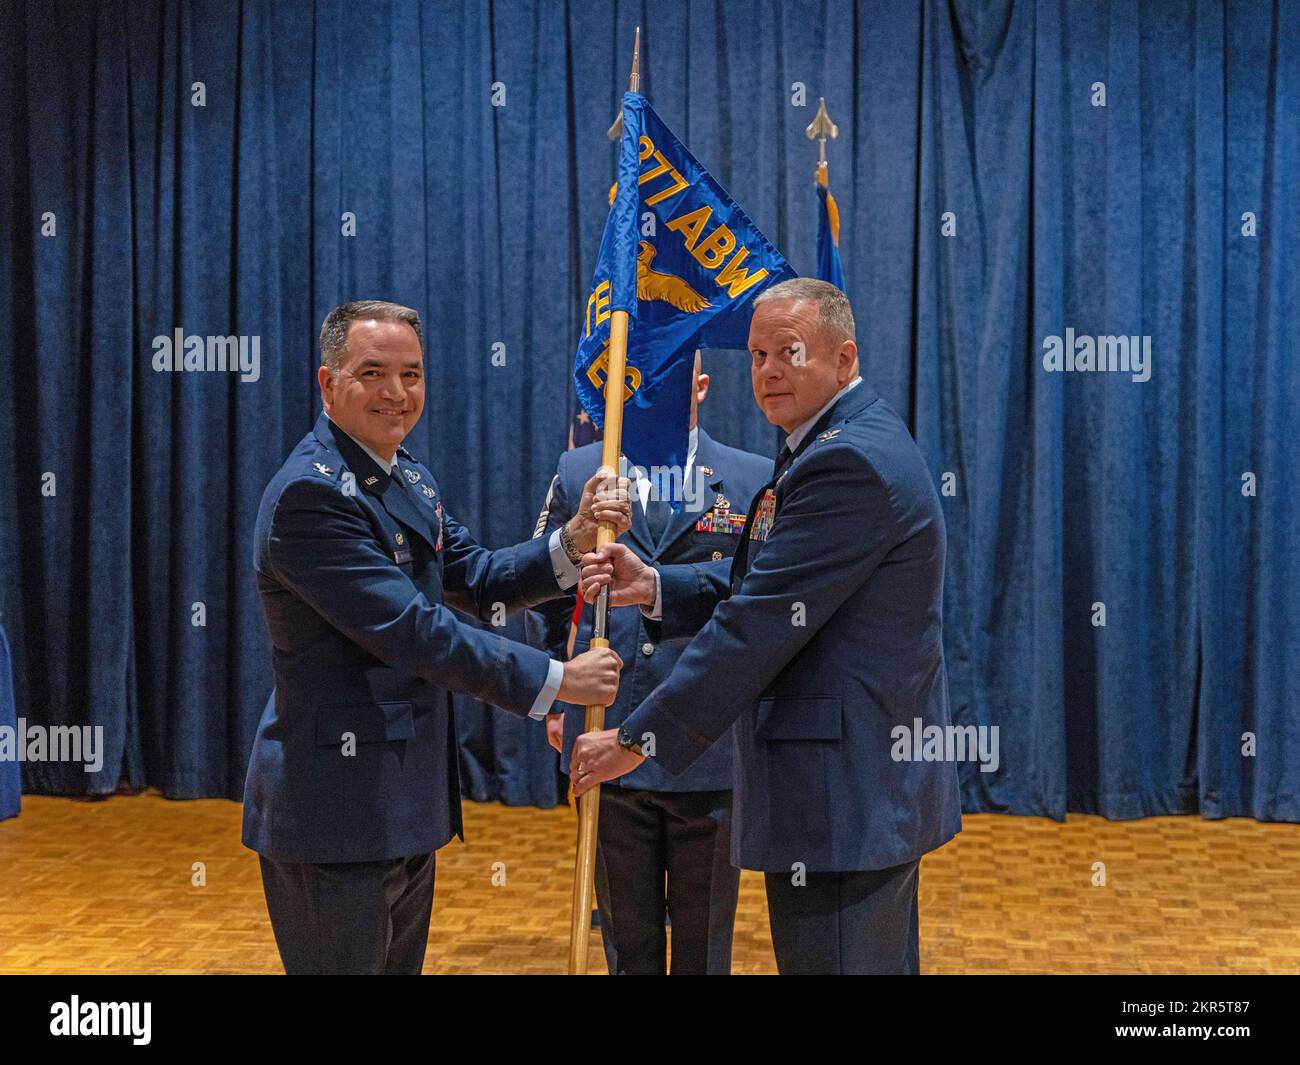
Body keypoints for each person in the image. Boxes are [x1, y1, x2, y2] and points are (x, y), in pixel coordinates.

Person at [571, 278, 963, 975]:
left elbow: (757, 624)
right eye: (755, 356)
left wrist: (637, 737)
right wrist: (661, 585)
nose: (769, 371)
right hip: (860, 789)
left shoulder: (846, 460)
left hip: (842, 797)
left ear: (844, 357)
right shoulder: (835, 438)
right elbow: (782, 580)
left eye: (789, 351)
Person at [242, 299, 629, 974]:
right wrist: (559, 680)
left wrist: (570, 539)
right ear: (328, 384)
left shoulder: (406, 475)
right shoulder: (313, 496)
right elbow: (417, 632)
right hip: (335, 807)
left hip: (399, 802)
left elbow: (477, 578)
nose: (396, 392)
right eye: (373, 372)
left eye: (412, 374)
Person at [529, 351, 770, 974]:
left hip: (706, 742)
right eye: (641, 372)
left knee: (703, 942)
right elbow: (547, 585)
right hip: (606, 727)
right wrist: (556, 693)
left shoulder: (752, 479)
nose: (654, 385)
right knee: (626, 940)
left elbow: (757, 601)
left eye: (671, 371)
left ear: (703, 384)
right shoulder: (583, 470)